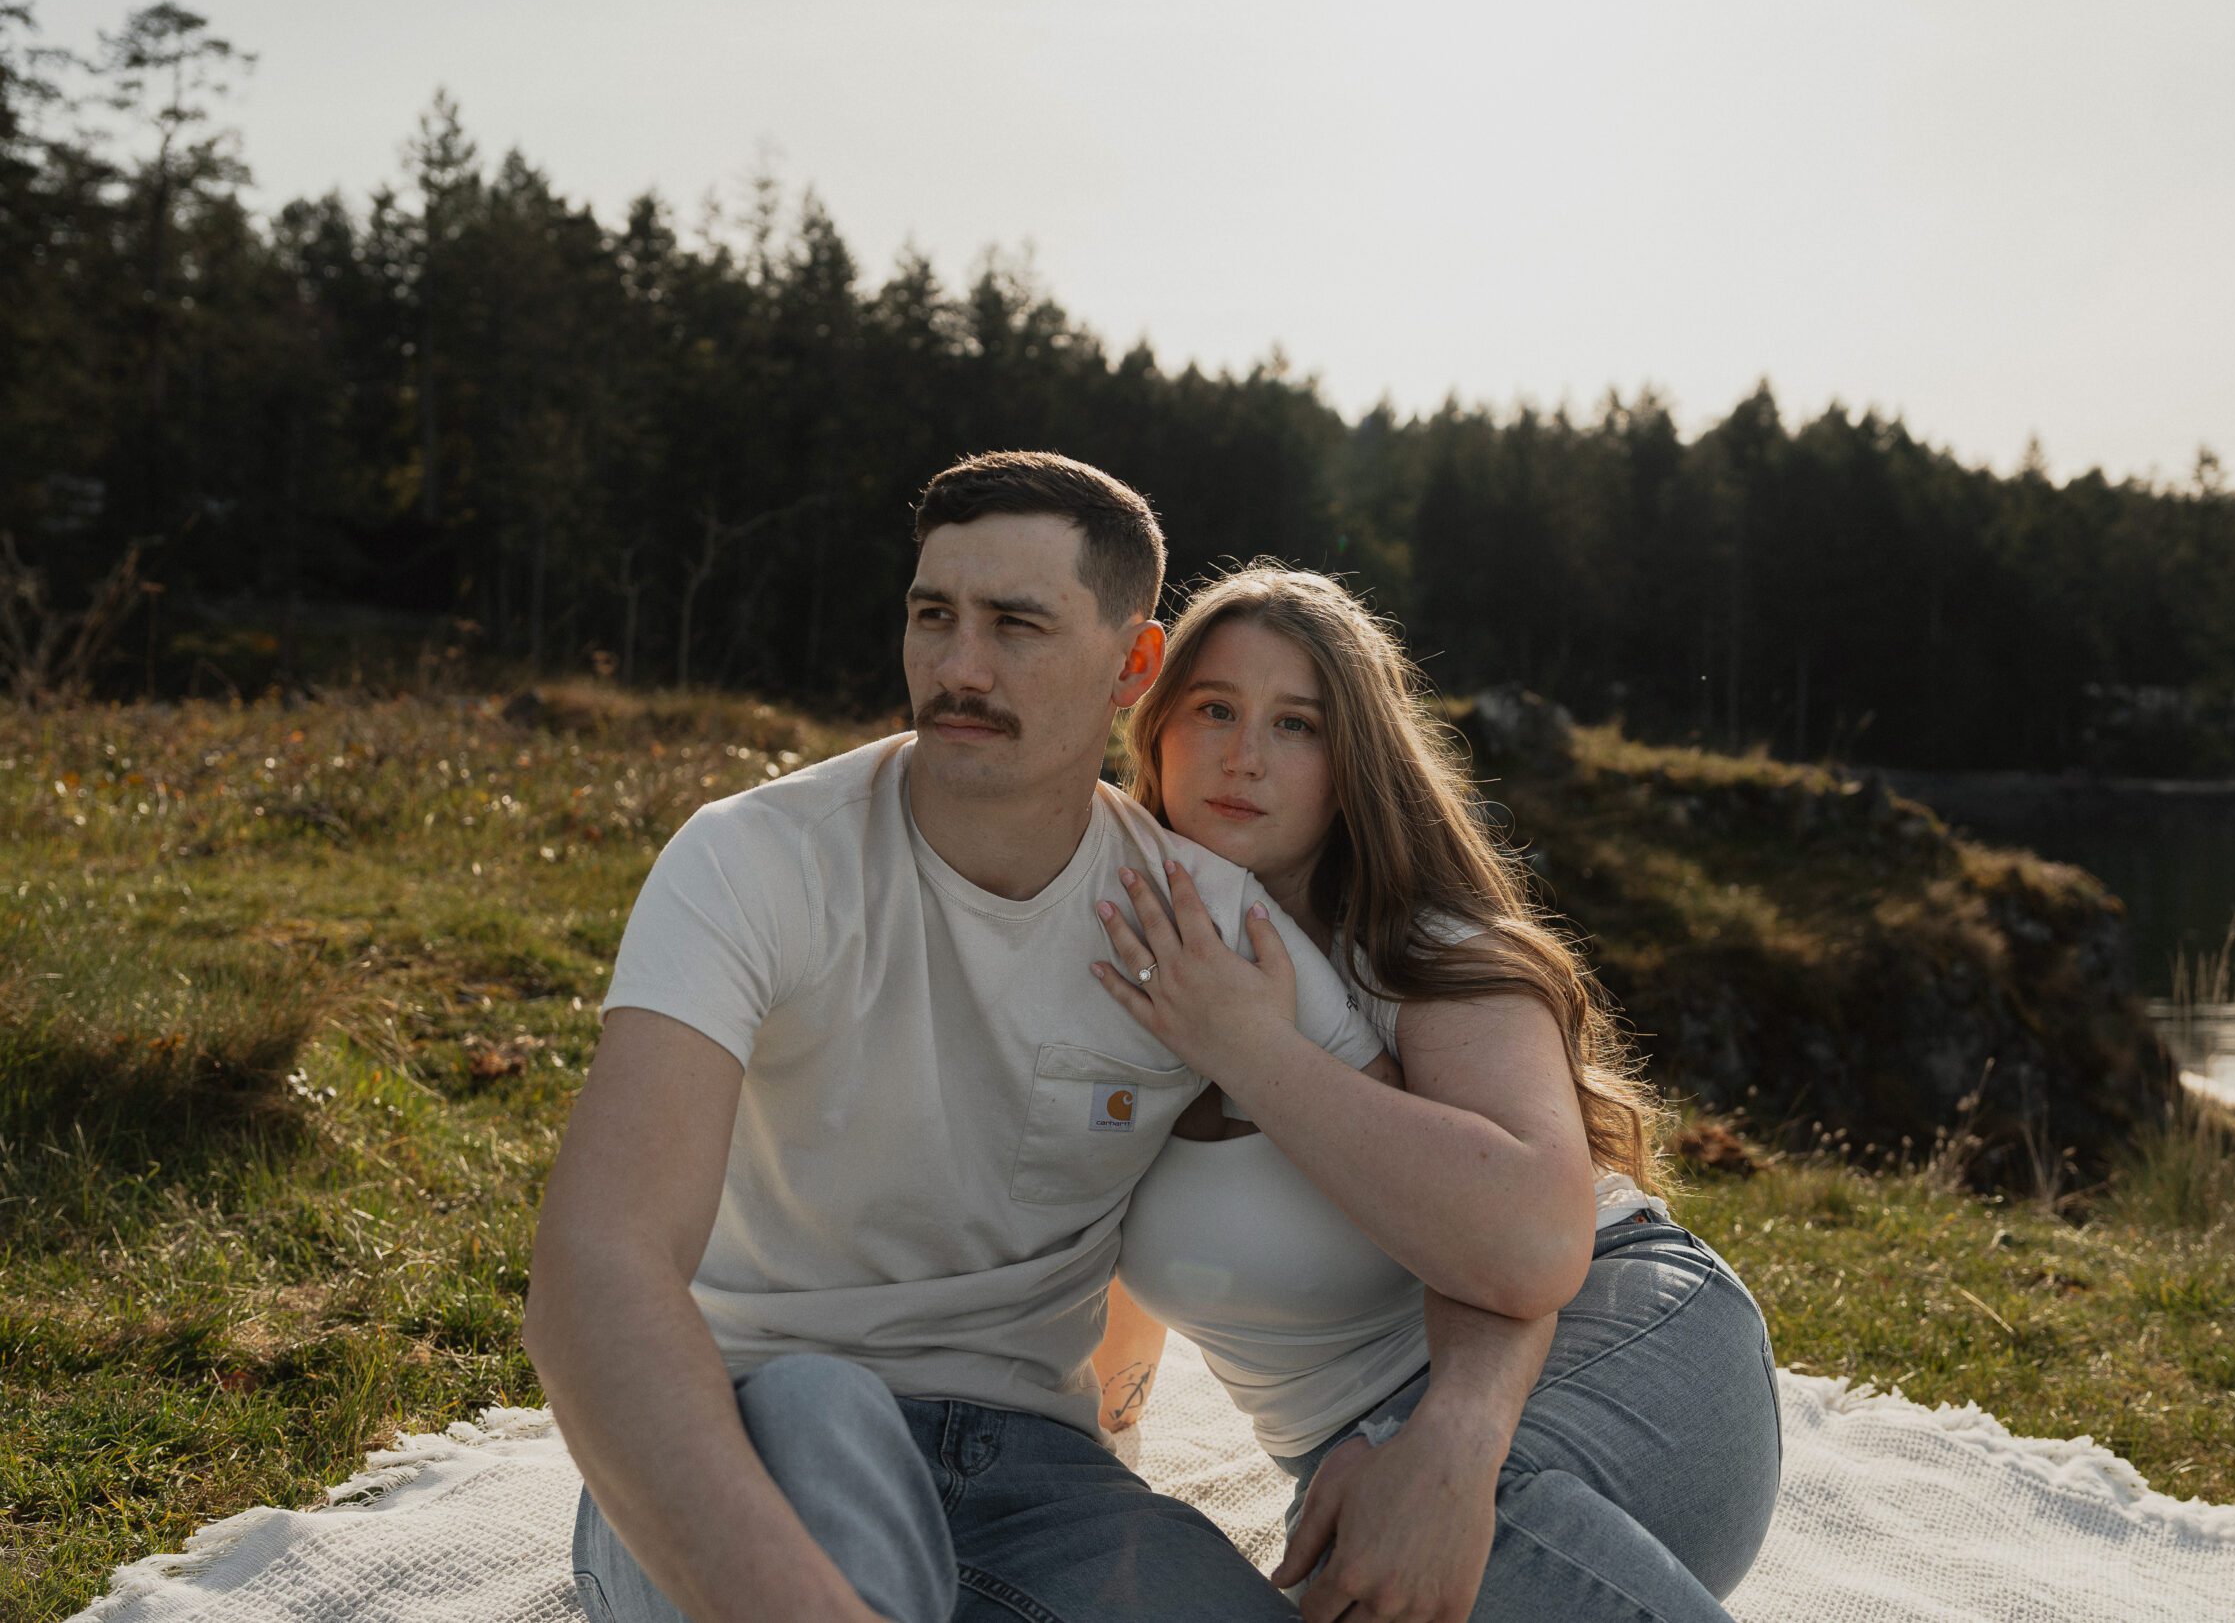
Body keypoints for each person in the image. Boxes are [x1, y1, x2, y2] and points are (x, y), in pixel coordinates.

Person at [524, 453, 1572, 1623]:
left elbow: (1481, 1230)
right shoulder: (751, 862)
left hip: (1031, 1470)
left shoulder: (1206, 928)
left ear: (1134, 666)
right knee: (819, 1409)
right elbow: (597, 1267)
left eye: (1017, 625)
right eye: (934, 617)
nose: (959, 669)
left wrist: (1448, 1438)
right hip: (750, 1420)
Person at [1088, 562, 1785, 1623]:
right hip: (1351, 1452)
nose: (1244, 756)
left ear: (1351, 762)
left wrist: (1247, 1046)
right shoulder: (1124, 949)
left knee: (1400, 1554)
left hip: (1611, 1344)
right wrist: (1097, 1465)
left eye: (1298, 726)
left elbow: (1523, 1247)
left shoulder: (1425, 950)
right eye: (1215, 709)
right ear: (1157, 730)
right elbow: (1108, 1248)